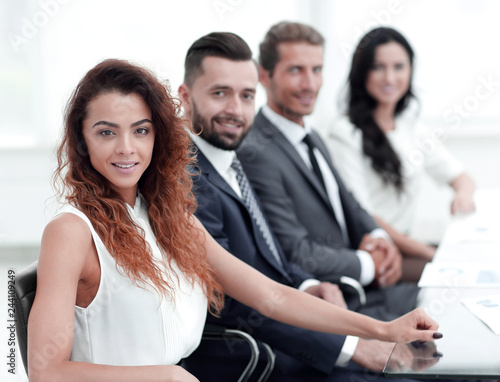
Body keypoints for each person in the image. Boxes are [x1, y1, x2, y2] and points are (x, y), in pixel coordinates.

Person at [27, 58, 441, 382]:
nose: (126, 148)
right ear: (81, 138)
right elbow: (47, 371)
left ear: (158, 135)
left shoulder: (169, 218)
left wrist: (384, 330)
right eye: (105, 132)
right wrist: (168, 377)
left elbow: (271, 297)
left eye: (140, 130)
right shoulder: (70, 232)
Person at [179, 32, 428, 381]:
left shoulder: (229, 161)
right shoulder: (188, 183)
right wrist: (349, 347)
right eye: (220, 93)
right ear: (186, 98)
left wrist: (309, 285)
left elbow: (272, 259)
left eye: (246, 95)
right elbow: (233, 300)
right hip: (263, 355)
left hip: (296, 330)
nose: (235, 109)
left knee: (430, 356)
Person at [238, 21, 419, 315]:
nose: (309, 84)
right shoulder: (256, 151)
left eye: (317, 70)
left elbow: (350, 203)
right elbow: (294, 251)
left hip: (372, 290)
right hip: (339, 303)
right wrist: (370, 263)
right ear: (264, 75)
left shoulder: (313, 136)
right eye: (295, 70)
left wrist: (382, 241)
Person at [325, 27, 475, 267]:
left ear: (411, 70)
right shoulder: (345, 132)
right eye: (378, 67)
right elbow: (365, 216)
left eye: (399, 67)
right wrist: (429, 253)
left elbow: (461, 177)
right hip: (376, 253)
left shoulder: (410, 127)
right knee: (460, 275)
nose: (390, 78)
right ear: (362, 72)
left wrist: (463, 195)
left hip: (408, 246)